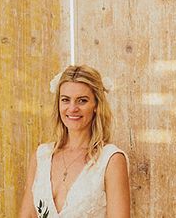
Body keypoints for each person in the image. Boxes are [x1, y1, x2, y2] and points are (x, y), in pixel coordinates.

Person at [19, 65, 131, 218]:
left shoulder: (111, 159)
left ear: (96, 105)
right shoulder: (42, 156)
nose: (72, 108)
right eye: (65, 100)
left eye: (82, 101)